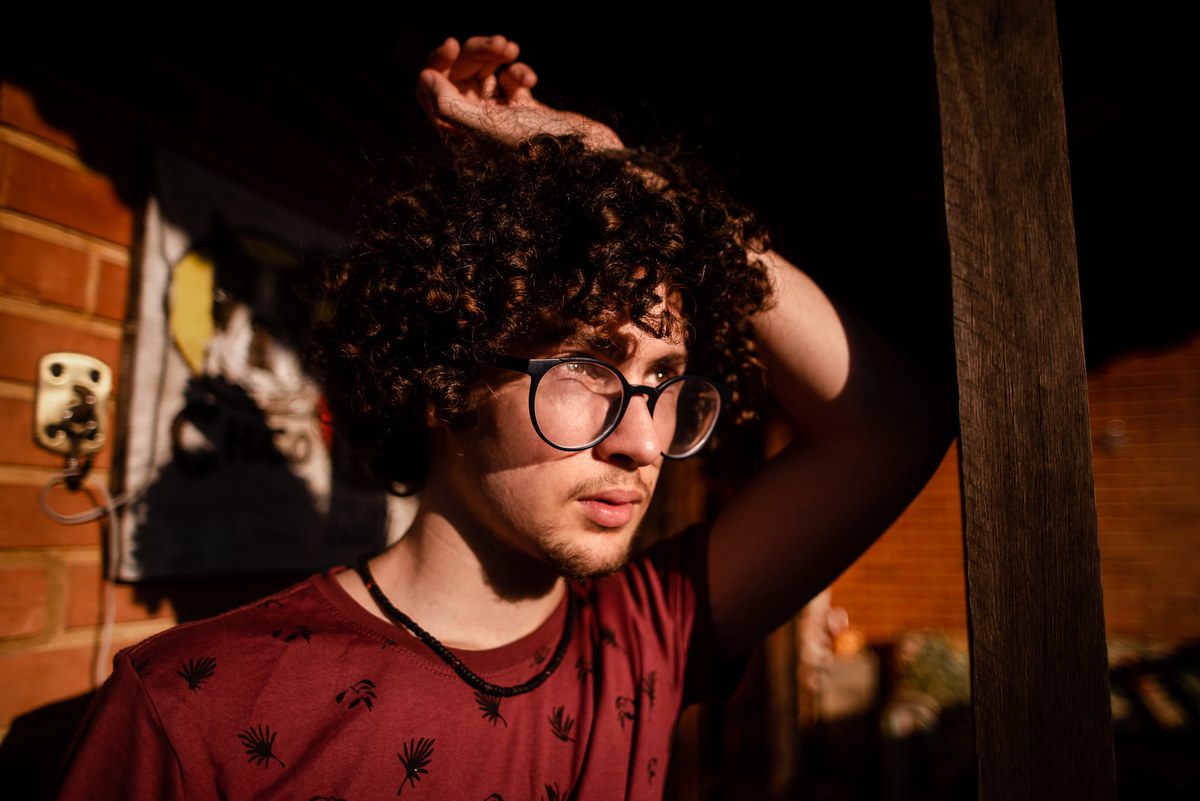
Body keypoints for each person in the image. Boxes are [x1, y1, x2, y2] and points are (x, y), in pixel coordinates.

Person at [53, 35, 952, 800]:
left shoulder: (644, 635)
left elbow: (899, 424)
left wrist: (628, 175)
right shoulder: (193, 709)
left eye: (665, 378)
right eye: (587, 369)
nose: (644, 442)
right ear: (443, 379)